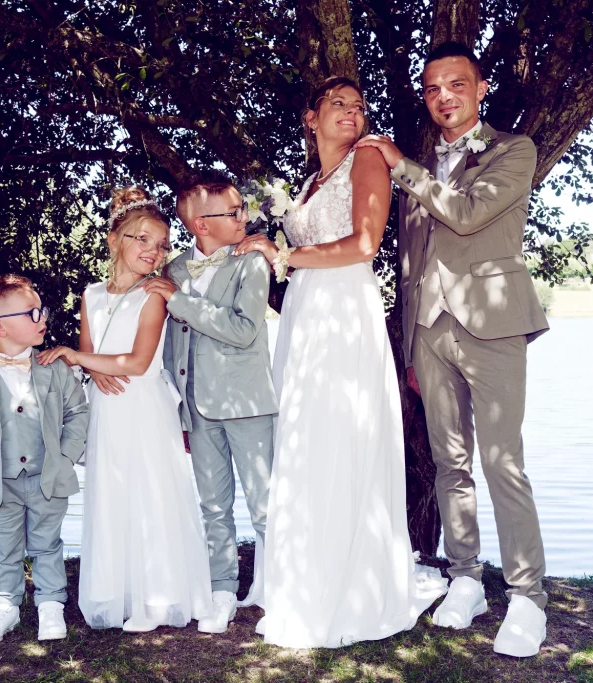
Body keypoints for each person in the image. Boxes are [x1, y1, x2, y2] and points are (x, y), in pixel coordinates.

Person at [235, 77, 448, 649]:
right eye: (337, 104)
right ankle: (303, 574)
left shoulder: (368, 162)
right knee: (305, 437)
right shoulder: (307, 184)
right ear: (311, 117)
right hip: (305, 314)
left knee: (338, 435)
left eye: (358, 105)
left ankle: (347, 584)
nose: (351, 113)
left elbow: (363, 245)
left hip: (344, 312)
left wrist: (282, 253)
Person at [356, 41, 551, 657]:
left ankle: (526, 595)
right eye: (434, 87)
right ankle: (465, 578)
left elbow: (467, 215)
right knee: (450, 462)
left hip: (493, 324)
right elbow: (411, 260)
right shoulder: (416, 164)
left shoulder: (513, 150)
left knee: (502, 461)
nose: (444, 96)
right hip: (429, 331)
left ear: (480, 87)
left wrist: (402, 166)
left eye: (456, 85)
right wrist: (413, 345)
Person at [37, 187, 213, 632]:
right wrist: (90, 368)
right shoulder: (91, 295)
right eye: (143, 240)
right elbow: (91, 351)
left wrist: (81, 361)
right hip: (106, 409)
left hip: (144, 405)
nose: (154, 252)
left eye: (162, 245)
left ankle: (158, 600)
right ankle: (119, 595)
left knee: (151, 493)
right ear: (115, 239)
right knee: (113, 492)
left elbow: (136, 362)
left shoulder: (154, 295)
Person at [143, 173, 277, 633]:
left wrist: (182, 303)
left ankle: (279, 589)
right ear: (201, 224)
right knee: (214, 506)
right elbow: (169, 346)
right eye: (234, 211)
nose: (245, 217)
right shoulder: (175, 269)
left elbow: (243, 330)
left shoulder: (252, 263)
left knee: (264, 503)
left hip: (247, 403)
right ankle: (222, 591)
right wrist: (175, 405)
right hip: (195, 407)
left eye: (242, 209)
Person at [0, 274, 90, 644]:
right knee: (5, 546)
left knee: (48, 543)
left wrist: (64, 457)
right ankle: (4, 607)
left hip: (48, 475)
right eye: (32, 312)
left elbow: (78, 413)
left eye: (41, 309)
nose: (43, 317)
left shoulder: (55, 367)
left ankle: (50, 605)